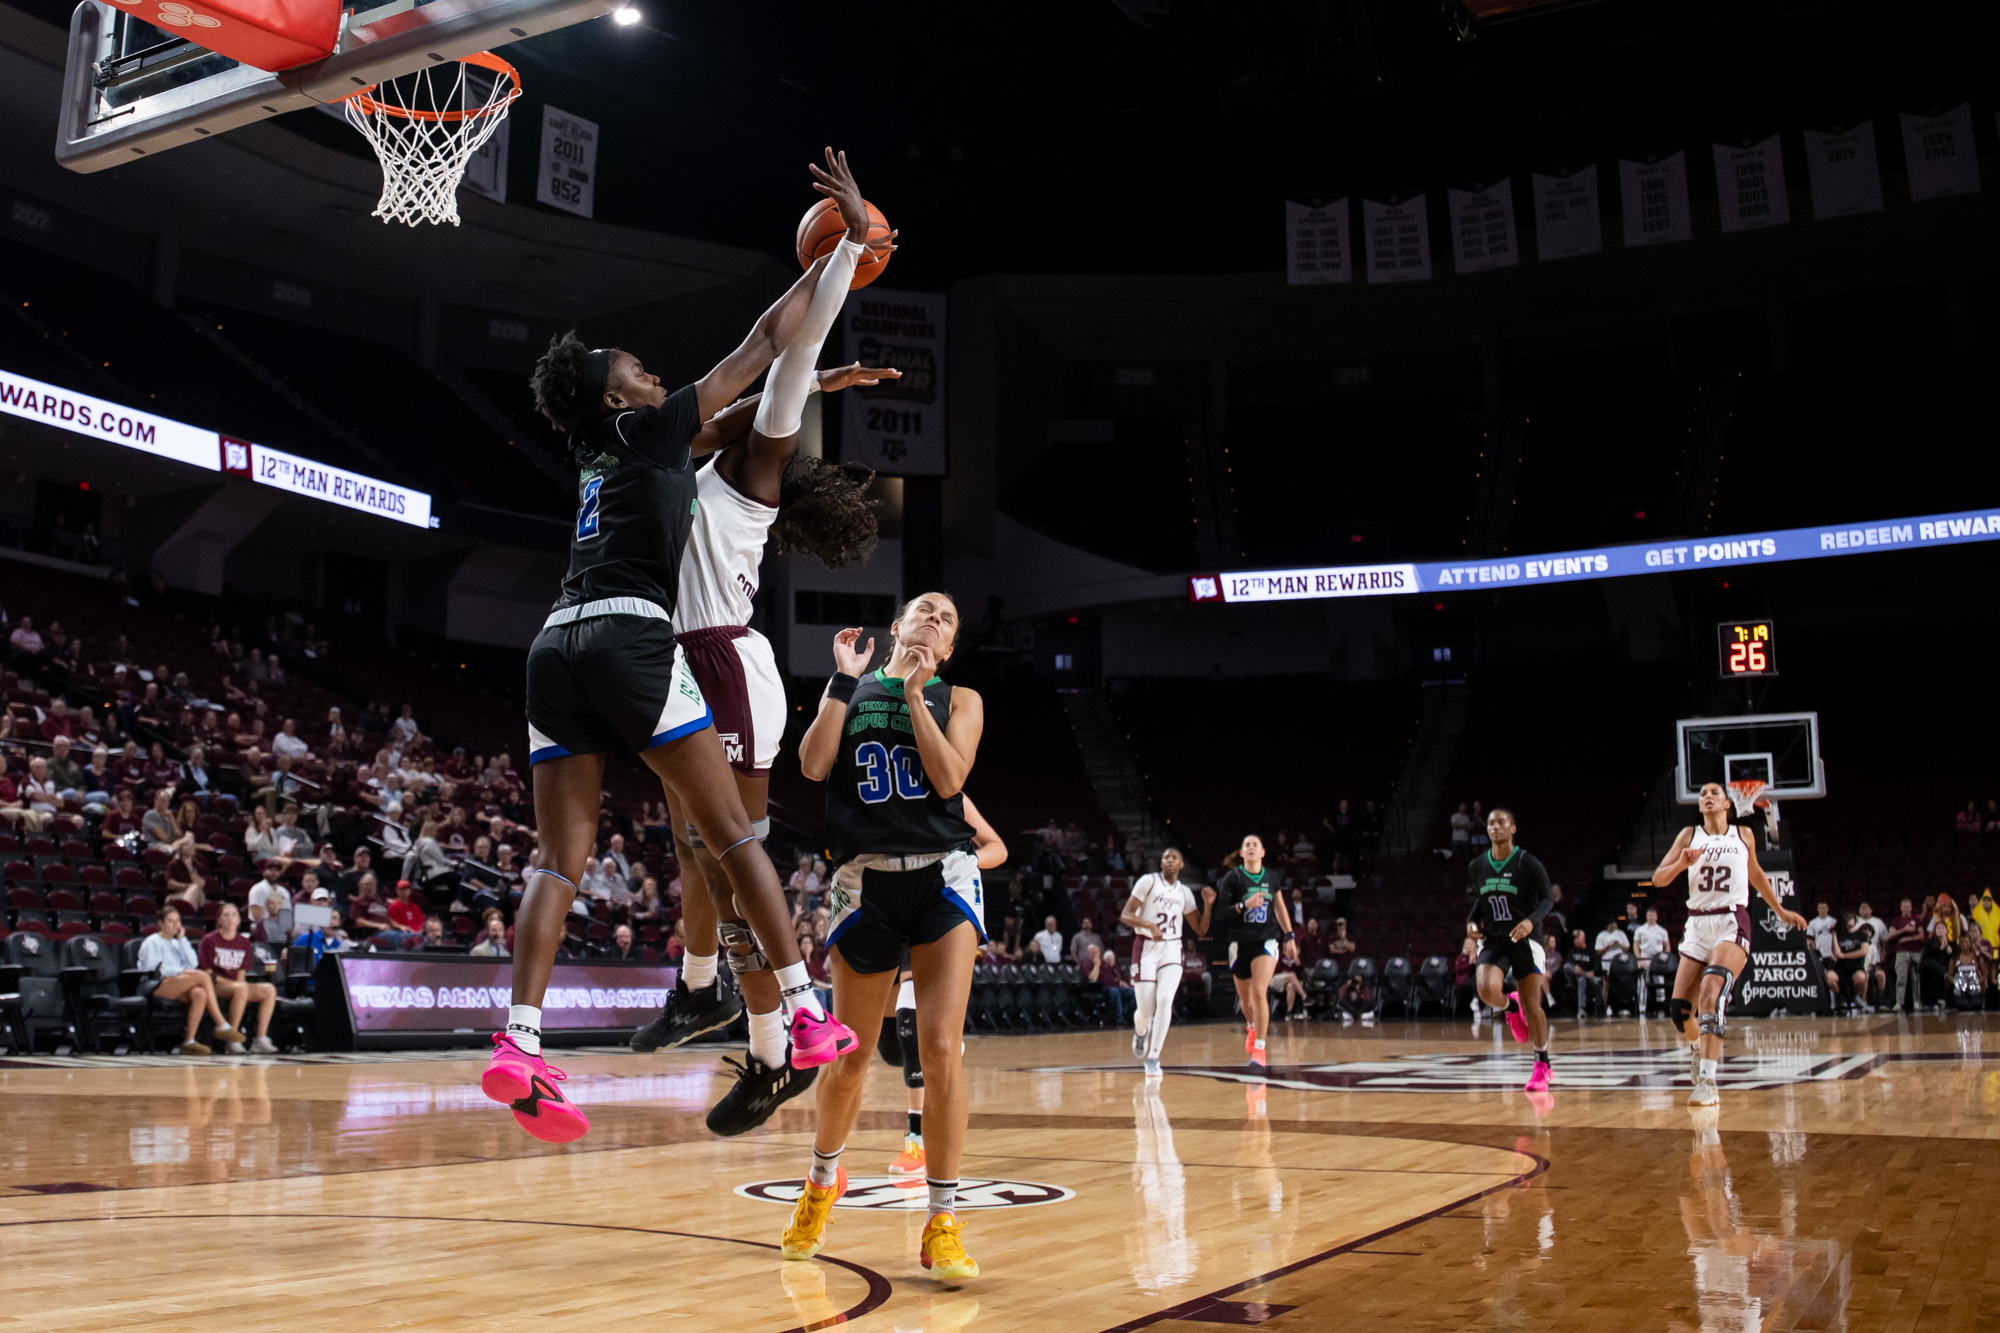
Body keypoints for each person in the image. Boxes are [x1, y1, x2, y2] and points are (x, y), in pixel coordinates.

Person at [492, 151, 883, 1146]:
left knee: (608, 858)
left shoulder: (632, 459)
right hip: (646, 646)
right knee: (720, 851)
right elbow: (754, 361)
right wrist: (837, 258)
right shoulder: (669, 442)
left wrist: (829, 315)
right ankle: (769, 1010)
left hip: (583, 647)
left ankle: (543, 1036)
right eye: (643, 374)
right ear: (624, 401)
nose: (659, 378)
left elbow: (767, 394)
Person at [781, 595, 987, 1280]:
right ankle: (820, 1182)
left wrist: (918, 696)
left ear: (950, 646)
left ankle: (942, 1219)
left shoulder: (960, 696)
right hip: (864, 878)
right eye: (924, 610)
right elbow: (812, 764)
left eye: (947, 619)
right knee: (851, 1055)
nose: (934, 619)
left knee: (941, 1048)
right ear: (896, 626)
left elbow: (951, 777)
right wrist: (841, 681)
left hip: (942, 876)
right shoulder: (854, 687)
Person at [1652, 781, 1807, 1107]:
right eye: (1703, 794)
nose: (1707, 796)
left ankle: (1709, 1080)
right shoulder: (1688, 834)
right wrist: (1682, 862)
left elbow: (1757, 875)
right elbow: (1658, 879)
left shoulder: (1743, 835)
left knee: (1711, 992)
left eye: (1714, 793)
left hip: (1731, 920)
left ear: (1728, 804)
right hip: (1697, 923)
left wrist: (1780, 910)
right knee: (1680, 1013)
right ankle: (1697, 1048)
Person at [1466, 808, 1556, 1092]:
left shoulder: (1526, 862)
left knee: (1534, 1006)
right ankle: (1509, 1006)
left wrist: (1531, 922)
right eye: (1490, 823)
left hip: (1524, 938)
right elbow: (1480, 902)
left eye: (1501, 822)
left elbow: (1547, 899)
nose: (1494, 827)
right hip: (1494, 937)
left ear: (1512, 828)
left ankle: (1542, 1064)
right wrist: (1470, 923)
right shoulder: (1477, 865)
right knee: (1485, 989)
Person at [1119, 847, 1211, 1075]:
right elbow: (1126, 915)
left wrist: (1208, 905)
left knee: (1165, 999)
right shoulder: (1148, 881)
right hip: (1146, 947)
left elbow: (1200, 929)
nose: (1169, 860)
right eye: (1165, 857)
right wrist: (1150, 925)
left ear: (1182, 864)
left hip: (1172, 948)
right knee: (1145, 1012)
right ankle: (1141, 1032)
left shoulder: (1185, 893)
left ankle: (1154, 1057)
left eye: (1174, 857)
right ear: (1161, 862)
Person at [1216, 834, 1298, 1071]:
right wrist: (1243, 905)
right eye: (1247, 845)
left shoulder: (1272, 877)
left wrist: (1289, 935)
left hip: (1266, 940)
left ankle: (1260, 1050)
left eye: (1255, 845)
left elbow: (1280, 908)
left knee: (1259, 992)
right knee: (1246, 1000)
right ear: (1241, 853)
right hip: (1239, 942)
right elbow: (1221, 913)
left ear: (1262, 852)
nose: (1251, 847)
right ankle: (1251, 1027)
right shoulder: (1232, 877)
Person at [136, 906, 245, 1055]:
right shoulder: (152, 942)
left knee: (199, 993)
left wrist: (183, 940)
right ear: (160, 924)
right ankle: (220, 1023)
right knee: (203, 976)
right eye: (170, 922)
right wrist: (183, 971)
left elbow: (193, 963)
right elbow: (154, 969)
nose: (175, 925)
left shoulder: (176, 943)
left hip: (177, 983)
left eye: (178, 921)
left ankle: (189, 1041)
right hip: (154, 985)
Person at [198, 902, 278, 1053]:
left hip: (237, 986)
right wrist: (238, 986)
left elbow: (241, 973)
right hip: (215, 986)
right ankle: (231, 1039)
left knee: (269, 989)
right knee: (241, 988)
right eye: (225, 915)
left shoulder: (243, 942)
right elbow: (208, 973)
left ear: (239, 920)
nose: (230, 918)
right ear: (219, 920)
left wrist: (240, 986)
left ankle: (260, 1039)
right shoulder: (209, 940)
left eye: (234, 915)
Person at [1827, 912, 1873, 1012]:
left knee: (1861, 977)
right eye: (1847, 918)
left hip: (1856, 967)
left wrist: (1845, 955)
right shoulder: (1840, 935)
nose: (1849, 920)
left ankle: (1855, 996)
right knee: (1829, 977)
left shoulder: (1862, 935)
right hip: (1841, 967)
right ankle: (1840, 996)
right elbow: (1836, 952)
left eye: (1850, 918)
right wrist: (1834, 933)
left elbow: (1863, 951)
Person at [1888, 897, 1927, 1012]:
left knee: (1916, 978)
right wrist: (1904, 929)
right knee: (1901, 977)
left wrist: (1908, 938)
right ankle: (1899, 1002)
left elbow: (1921, 936)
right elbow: (1890, 935)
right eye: (1903, 906)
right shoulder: (1896, 920)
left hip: (1915, 951)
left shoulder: (1917, 920)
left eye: (1907, 906)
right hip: (1901, 952)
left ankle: (1917, 1001)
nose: (1905, 908)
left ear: (1911, 908)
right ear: (1900, 908)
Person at [1085, 943, 1136, 1024]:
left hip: (1115, 986)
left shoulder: (1105, 964)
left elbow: (1115, 975)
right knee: (1114, 992)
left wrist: (1120, 981)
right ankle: (1119, 1018)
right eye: (1092, 953)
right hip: (1102, 989)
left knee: (1132, 991)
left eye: (1096, 952)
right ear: (1089, 954)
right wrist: (1097, 965)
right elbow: (1093, 979)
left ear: (1100, 953)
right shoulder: (1087, 965)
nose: (1094, 955)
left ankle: (1131, 1016)